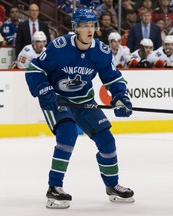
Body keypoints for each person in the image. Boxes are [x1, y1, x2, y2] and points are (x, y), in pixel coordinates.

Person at [25, 8, 135, 209]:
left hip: (84, 101)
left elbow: (113, 77)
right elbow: (34, 70)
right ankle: (55, 187)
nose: (89, 29)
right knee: (67, 133)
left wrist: (121, 97)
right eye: (84, 25)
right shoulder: (59, 47)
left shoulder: (101, 51)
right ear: (75, 28)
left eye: (92, 25)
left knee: (107, 140)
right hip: (57, 100)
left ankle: (112, 185)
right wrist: (43, 89)